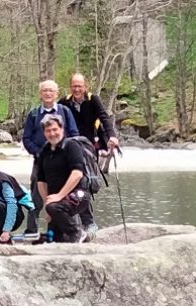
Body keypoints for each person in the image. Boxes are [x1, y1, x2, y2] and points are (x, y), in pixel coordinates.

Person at [58, 73, 119, 239]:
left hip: (88, 147)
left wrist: (111, 135)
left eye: (80, 86)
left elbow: (104, 118)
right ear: (70, 87)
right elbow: (54, 121)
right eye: (74, 86)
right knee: (68, 183)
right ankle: (73, 221)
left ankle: (88, 222)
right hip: (68, 148)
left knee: (84, 182)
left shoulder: (93, 100)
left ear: (85, 87)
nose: (77, 89)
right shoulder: (64, 102)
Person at [22, 80, 79, 234]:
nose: (48, 93)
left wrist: (67, 152)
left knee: (67, 195)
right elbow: (26, 139)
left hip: (64, 162)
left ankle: (68, 228)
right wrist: (40, 154)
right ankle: (31, 230)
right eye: (45, 90)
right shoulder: (33, 114)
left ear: (56, 93)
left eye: (51, 90)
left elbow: (74, 135)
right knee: (36, 197)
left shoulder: (65, 112)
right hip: (41, 162)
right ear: (40, 94)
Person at [37, 114, 90, 243]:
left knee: (54, 208)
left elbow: (77, 174)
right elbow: (41, 181)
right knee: (54, 238)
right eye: (48, 131)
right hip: (56, 201)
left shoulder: (72, 146)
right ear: (44, 133)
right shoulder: (45, 151)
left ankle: (77, 232)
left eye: (55, 129)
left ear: (62, 129)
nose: (52, 133)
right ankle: (83, 238)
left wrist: (59, 196)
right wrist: (47, 203)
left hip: (78, 195)